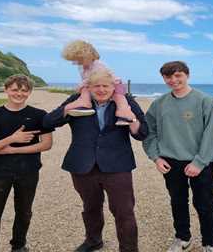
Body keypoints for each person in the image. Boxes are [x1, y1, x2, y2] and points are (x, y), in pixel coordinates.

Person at [43, 68, 148, 252]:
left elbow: (142, 133)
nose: (101, 90)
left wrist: (131, 119)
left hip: (117, 166)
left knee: (124, 212)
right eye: (96, 86)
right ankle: (93, 241)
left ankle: (129, 249)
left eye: (105, 86)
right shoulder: (77, 101)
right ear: (88, 87)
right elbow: (47, 122)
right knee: (90, 207)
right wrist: (69, 107)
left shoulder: (126, 102)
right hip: (83, 165)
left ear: (113, 87)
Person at [143, 61, 213, 252]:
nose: (174, 80)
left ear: (187, 75)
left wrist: (199, 162)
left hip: (202, 161)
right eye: (168, 77)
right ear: (164, 78)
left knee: (204, 203)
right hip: (170, 161)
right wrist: (156, 157)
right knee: (177, 201)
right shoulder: (159, 103)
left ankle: (210, 243)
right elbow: (149, 132)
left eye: (178, 75)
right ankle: (183, 237)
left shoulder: (204, 101)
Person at [0, 75, 54, 252]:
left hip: (28, 171)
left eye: (24, 90)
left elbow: (46, 144)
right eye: (15, 89)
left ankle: (18, 245)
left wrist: (13, 149)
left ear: (30, 92)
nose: (19, 93)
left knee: (24, 212)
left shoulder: (39, 115)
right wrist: (12, 139)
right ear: (6, 90)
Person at [62, 40, 135, 125]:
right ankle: (85, 103)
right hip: (97, 85)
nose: (77, 62)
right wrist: (82, 87)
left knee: (120, 99)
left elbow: (94, 79)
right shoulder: (81, 67)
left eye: (80, 59)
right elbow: (88, 82)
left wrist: (81, 85)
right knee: (85, 89)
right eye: (75, 60)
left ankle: (123, 114)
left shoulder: (98, 65)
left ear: (88, 56)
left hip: (115, 85)